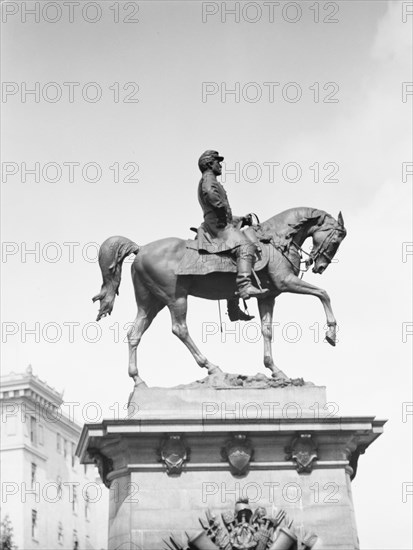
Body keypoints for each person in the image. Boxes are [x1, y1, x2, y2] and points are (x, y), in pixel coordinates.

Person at [197, 150, 268, 320]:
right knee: (245, 246)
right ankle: (245, 286)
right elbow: (210, 194)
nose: (220, 165)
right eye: (217, 162)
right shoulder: (208, 179)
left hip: (220, 222)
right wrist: (221, 208)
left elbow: (222, 210)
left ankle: (233, 307)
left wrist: (241, 219)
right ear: (209, 164)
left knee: (234, 258)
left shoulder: (212, 179)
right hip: (217, 226)